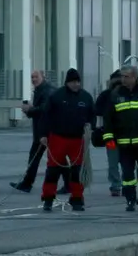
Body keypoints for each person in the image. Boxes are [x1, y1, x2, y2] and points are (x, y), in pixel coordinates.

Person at [103, 65, 138, 212]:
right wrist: (109, 137)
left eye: (126, 76)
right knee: (127, 175)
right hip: (124, 143)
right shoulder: (115, 94)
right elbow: (108, 118)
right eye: (122, 76)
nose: (123, 79)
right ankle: (130, 201)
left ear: (134, 76)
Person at [38, 68, 95, 212]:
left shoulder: (86, 97)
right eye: (73, 82)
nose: (76, 85)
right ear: (67, 82)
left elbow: (92, 116)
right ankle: (48, 198)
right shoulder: (56, 96)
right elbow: (45, 116)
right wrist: (43, 135)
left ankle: (77, 199)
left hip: (77, 139)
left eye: (78, 82)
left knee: (77, 171)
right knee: (53, 170)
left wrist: (91, 127)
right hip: (58, 138)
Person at [11, 70, 70, 194]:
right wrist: (30, 110)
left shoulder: (48, 91)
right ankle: (27, 183)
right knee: (50, 157)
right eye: (32, 77)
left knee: (49, 157)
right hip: (42, 130)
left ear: (43, 77)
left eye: (36, 77)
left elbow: (45, 109)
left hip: (47, 131)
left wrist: (30, 109)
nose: (33, 79)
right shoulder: (40, 90)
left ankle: (28, 184)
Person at [95, 70, 123, 196]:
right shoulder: (106, 95)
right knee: (116, 162)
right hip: (113, 135)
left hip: (120, 135)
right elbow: (97, 111)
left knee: (120, 162)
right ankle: (117, 185)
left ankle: (118, 185)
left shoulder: (127, 94)